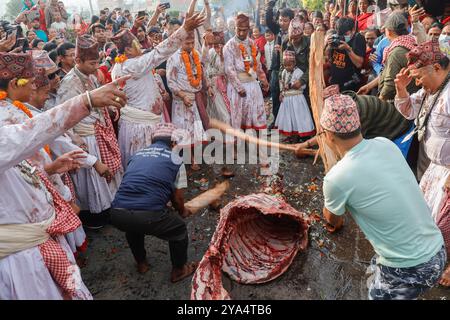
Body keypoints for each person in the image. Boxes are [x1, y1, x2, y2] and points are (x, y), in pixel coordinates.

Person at [0, 51, 126, 300]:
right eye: (33, 83)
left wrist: (50, 170)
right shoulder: (7, 116)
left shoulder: (19, 109)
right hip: (21, 256)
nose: (40, 89)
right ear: (15, 85)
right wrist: (86, 101)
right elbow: (27, 138)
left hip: (37, 234)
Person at [320, 93, 445, 300]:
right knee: (374, 271)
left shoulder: (336, 179)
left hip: (411, 270)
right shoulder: (384, 144)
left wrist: (331, 203)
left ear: (329, 135)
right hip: (438, 252)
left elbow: (333, 219)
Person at [111, 10, 206, 169]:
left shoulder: (125, 64)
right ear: (127, 50)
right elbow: (159, 52)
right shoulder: (132, 66)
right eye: (136, 43)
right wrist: (184, 28)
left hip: (144, 122)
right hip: (141, 127)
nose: (140, 45)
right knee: (147, 167)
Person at [110, 123, 198, 281]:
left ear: (153, 141)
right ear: (173, 144)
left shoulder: (137, 155)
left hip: (117, 212)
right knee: (178, 230)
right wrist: (182, 211)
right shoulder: (176, 159)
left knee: (133, 227)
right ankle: (179, 270)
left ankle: (141, 263)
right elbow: (178, 198)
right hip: (148, 214)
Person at [394, 40, 450, 286]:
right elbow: (409, 110)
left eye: (419, 77)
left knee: (445, 224)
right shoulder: (431, 89)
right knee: (430, 218)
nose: (417, 83)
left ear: (436, 68)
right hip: (436, 169)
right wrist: (401, 89)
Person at [57, 34, 123, 229]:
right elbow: (65, 118)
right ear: (78, 61)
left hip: (98, 131)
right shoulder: (69, 83)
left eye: (98, 62)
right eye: (93, 63)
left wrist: (110, 107)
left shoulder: (90, 76)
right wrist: (76, 140)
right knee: (91, 180)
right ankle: (95, 217)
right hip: (84, 137)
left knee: (105, 178)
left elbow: (97, 99)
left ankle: (108, 209)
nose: (96, 67)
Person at [167, 31, 209, 168]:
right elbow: (171, 82)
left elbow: (200, 74)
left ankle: (195, 155)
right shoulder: (173, 58)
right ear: (180, 42)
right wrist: (183, 96)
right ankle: (190, 158)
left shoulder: (195, 54)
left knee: (195, 128)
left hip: (194, 99)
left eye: (192, 43)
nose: (191, 45)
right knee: (184, 130)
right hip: (181, 101)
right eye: (187, 43)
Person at [223, 13, 269, 131]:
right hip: (238, 89)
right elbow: (229, 70)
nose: (242, 33)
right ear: (234, 28)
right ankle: (239, 146)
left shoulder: (252, 43)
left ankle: (256, 145)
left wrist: (263, 80)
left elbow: (257, 65)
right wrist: (239, 88)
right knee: (238, 118)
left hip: (253, 86)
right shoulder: (229, 46)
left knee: (255, 116)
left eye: (245, 30)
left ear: (249, 29)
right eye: (239, 30)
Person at [358, 12, 419, 101]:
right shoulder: (410, 43)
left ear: (389, 31)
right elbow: (386, 72)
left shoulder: (396, 52)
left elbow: (389, 85)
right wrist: (368, 86)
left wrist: (378, 104)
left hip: (399, 101)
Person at [202, 31, 234, 177]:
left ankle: (230, 147)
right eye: (214, 45)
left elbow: (227, 71)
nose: (216, 48)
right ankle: (219, 143)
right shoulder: (209, 52)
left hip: (225, 87)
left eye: (219, 45)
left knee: (226, 116)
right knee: (215, 115)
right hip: (212, 88)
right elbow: (204, 64)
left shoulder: (227, 54)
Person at [265, 2, 295, 127]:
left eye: (285, 20)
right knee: (275, 94)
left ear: (291, 21)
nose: (281, 22)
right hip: (275, 69)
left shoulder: (295, 34)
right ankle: (276, 121)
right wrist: (270, 6)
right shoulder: (278, 31)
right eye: (280, 20)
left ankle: (289, 123)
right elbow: (268, 21)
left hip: (289, 71)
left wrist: (282, 50)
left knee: (287, 97)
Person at [275, 51, 315, 140]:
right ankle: (292, 135)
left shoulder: (298, 72)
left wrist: (292, 85)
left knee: (299, 116)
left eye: (289, 65)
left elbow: (302, 85)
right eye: (285, 65)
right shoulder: (284, 72)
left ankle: (302, 136)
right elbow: (282, 83)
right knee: (289, 117)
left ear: (294, 63)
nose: (287, 67)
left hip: (297, 99)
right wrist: (281, 93)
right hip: (287, 99)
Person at [326, 17, 366, 92]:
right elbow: (328, 58)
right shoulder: (335, 37)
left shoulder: (358, 39)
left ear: (353, 30)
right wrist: (328, 45)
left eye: (345, 34)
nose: (343, 37)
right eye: (340, 34)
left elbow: (359, 64)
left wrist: (348, 49)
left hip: (350, 84)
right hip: (335, 83)